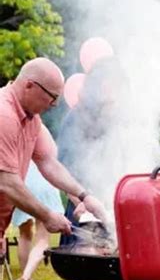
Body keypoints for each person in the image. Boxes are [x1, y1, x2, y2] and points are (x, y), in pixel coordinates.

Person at [57, 58, 126, 280]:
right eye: (111, 83)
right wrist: (80, 200)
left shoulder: (124, 122)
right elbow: (64, 169)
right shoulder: (76, 120)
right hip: (85, 213)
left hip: (118, 213)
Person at [0, 58, 107, 263]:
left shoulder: (32, 118)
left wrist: (84, 196)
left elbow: (49, 163)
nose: (55, 104)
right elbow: (7, 182)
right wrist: (47, 215)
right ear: (29, 85)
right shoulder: (4, 115)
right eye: (52, 97)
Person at [12, 157, 64, 280]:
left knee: (25, 234)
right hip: (42, 180)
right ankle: (25, 277)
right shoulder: (39, 134)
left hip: (20, 183)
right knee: (43, 239)